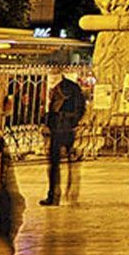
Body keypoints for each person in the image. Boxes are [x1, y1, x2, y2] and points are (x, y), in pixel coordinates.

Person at [40, 72, 84, 206]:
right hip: (57, 127)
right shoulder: (51, 87)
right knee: (55, 164)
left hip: (64, 127)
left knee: (63, 163)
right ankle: (56, 194)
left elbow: (80, 107)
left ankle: (65, 192)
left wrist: (72, 122)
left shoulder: (71, 87)